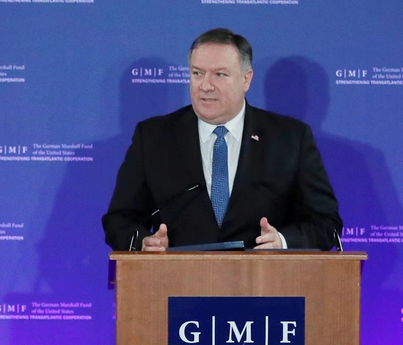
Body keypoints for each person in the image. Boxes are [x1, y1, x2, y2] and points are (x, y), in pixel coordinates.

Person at [102, 28, 342, 251]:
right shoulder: (154, 137)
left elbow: (326, 223)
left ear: (246, 79)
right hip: (176, 286)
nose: (205, 85)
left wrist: (282, 241)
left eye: (219, 74)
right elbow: (119, 220)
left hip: (265, 287)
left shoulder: (290, 138)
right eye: (197, 73)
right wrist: (145, 242)